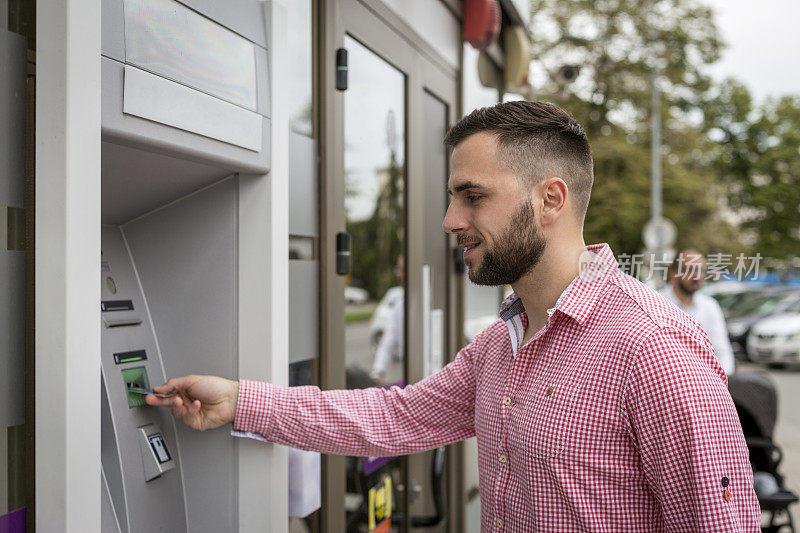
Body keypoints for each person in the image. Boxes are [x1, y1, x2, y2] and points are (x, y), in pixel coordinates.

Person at [147, 101, 760, 530]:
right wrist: (241, 401)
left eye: (472, 196)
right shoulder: (505, 342)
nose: (450, 220)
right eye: (452, 197)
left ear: (551, 199)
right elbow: (394, 416)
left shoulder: (657, 350)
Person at [660, 248, 736, 375]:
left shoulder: (710, 306)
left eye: (701, 270)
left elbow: (722, 351)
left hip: (703, 384)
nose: (697, 276)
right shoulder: (657, 304)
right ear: (673, 274)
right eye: (690, 269)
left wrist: (722, 383)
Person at [370, 256, 404, 383]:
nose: (399, 275)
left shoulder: (432, 301)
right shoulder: (400, 305)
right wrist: (378, 371)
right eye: (399, 270)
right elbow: (388, 341)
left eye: (403, 270)